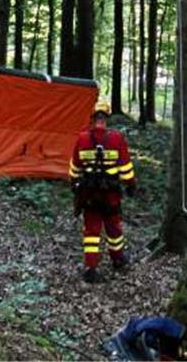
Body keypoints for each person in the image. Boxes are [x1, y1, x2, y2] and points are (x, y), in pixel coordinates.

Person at [69, 100, 137, 284]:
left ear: (92, 118)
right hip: (110, 195)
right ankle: (118, 259)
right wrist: (131, 185)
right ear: (107, 118)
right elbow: (126, 168)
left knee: (91, 230)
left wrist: (74, 184)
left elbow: (74, 167)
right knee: (114, 227)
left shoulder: (82, 138)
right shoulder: (116, 138)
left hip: (89, 195)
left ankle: (90, 268)